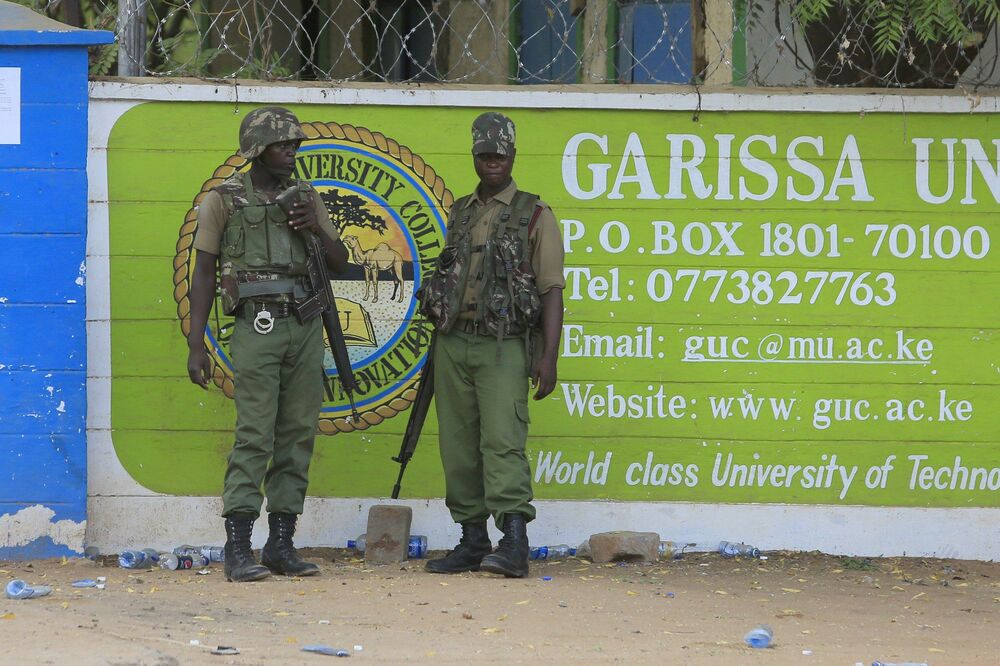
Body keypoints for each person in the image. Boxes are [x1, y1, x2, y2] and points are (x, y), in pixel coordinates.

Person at [186, 107, 349, 582]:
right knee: (255, 433)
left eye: (295, 144)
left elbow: (340, 263)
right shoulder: (224, 199)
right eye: (282, 145)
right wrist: (196, 344)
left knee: (297, 434)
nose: (292, 152)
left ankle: (281, 544)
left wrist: (314, 226)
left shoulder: (306, 197)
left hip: (304, 324)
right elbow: (203, 273)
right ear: (257, 149)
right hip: (256, 325)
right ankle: (238, 547)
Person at [419, 112, 565, 578]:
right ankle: (472, 540)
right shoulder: (461, 211)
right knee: (458, 446)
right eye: (485, 155)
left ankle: (514, 543)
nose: (492, 162)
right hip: (453, 342)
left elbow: (551, 289)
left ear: (513, 155)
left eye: (500, 154)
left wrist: (548, 357)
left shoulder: (535, 214)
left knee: (503, 442)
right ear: (475, 156)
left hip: (503, 346)